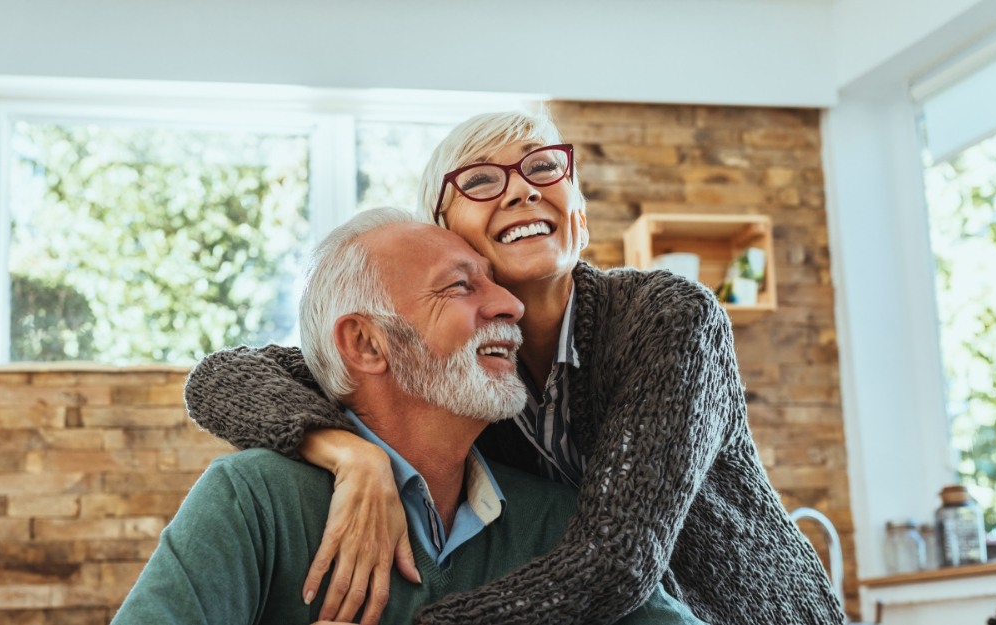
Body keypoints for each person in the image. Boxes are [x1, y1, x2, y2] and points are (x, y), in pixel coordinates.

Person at [183, 112, 845, 624]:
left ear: (577, 211)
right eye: (480, 180)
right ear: (443, 228)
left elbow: (615, 562)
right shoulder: (459, 371)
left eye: (544, 169)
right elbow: (222, 376)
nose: (523, 189)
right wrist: (351, 453)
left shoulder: (669, 317)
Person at [112, 209, 705, 625]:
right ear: (368, 345)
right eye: (458, 287)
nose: (510, 304)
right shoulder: (254, 501)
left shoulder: (556, 520)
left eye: (493, 283)